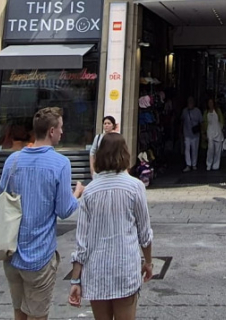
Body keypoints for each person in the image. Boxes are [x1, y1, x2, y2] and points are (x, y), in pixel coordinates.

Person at [0, 107, 86, 320]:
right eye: (61, 128)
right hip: (39, 255)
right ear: (52, 131)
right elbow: (64, 210)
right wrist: (77, 194)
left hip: (11, 250)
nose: (63, 132)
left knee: (19, 312)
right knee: (38, 315)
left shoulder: (13, 160)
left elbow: (0, 197)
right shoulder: (60, 163)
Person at [65, 134, 154, 320]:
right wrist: (148, 262)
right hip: (125, 269)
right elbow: (144, 233)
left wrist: (75, 279)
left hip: (96, 271)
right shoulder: (135, 187)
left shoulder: (89, 191)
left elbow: (82, 241)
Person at [180, 97, 202, 172]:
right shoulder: (184, 111)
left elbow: (201, 122)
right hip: (187, 133)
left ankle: (194, 164)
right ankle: (188, 165)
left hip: (195, 134)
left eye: (191, 102)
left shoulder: (197, 111)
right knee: (187, 149)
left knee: (194, 150)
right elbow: (182, 120)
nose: (190, 103)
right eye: (189, 102)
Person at [203, 98, 224, 172]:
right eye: (209, 103)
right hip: (210, 132)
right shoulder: (206, 112)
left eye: (211, 103)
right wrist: (204, 133)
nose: (210, 104)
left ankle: (216, 165)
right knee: (210, 149)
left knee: (217, 150)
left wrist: (221, 129)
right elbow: (204, 123)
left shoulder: (218, 111)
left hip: (217, 132)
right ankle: (208, 164)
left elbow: (221, 121)